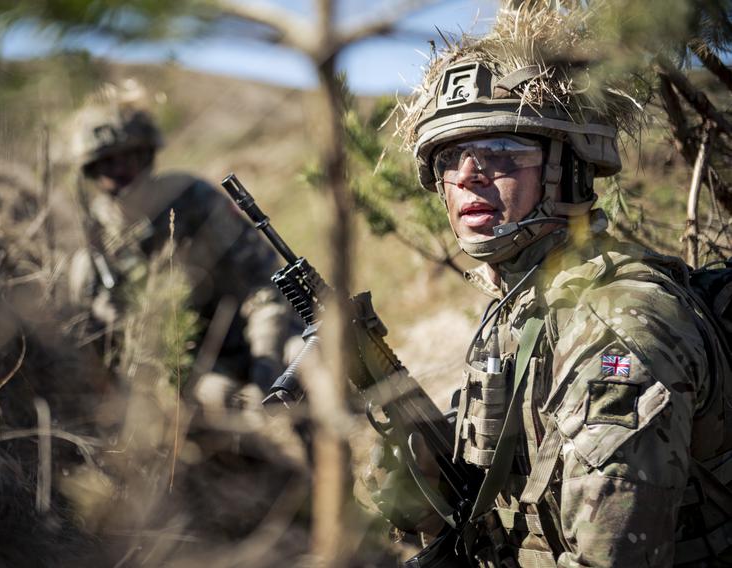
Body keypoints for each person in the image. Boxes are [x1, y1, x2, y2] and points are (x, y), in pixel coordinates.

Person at [370, 10, 732, 568]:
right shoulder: (521, 305)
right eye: (449, 159)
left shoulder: (618, 326)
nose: (467, 175)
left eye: (501, 151)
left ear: (570, 168)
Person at [67, 82, 298, 409]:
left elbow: (265, 281)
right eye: (108, 162)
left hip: (252, 337)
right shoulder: (95, 254)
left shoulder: (194, 201)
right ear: (91, 169)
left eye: (129, 157)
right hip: (187, 378)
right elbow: (106, 354)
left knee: (301, 360)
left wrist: (267, 358)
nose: (120, 171)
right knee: (218, 400)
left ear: (147, 155)